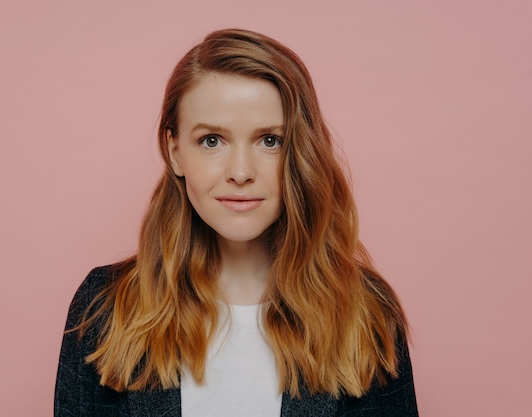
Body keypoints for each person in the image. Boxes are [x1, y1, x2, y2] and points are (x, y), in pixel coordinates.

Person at [55, 28, 419, 416]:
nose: (241, 172)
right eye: (212, 140)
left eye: (270, 140)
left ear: (301, 151)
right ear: (175, 151)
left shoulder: (365, 310)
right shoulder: (104, 307)